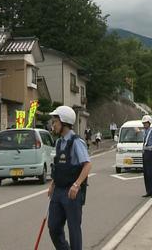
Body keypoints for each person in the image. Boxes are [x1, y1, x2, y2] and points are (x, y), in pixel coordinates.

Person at [47, 106, 92, 250]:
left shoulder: (76, 142)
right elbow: (59, 167)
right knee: (53, 227)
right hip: (58, 191)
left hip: (72, 192)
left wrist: (77, 184)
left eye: (55, 122)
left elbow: (87, 165)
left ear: (64, 122)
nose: (52, 125)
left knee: (74, 230)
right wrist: (52, 185)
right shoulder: (60, 142)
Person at [137, 115, 152, 198]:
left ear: (149, 123)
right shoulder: (144, 131)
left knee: (150, 172)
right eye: (143, 123)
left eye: (145, 123)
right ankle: (149, 191)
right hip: (145, 152)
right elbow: (140, 134)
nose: (144, 124)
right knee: (146, 172)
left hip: (150, 152)